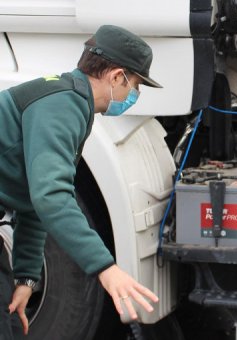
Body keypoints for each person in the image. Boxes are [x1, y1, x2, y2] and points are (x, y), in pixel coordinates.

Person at [0, 25, 162, 337]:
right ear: (116, 77)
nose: (134, 96)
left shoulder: (69, 102)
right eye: (136, 86)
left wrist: (25, 279)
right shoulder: (63, 106)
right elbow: (51, 197)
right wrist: (106, 268)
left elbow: (34, 203)